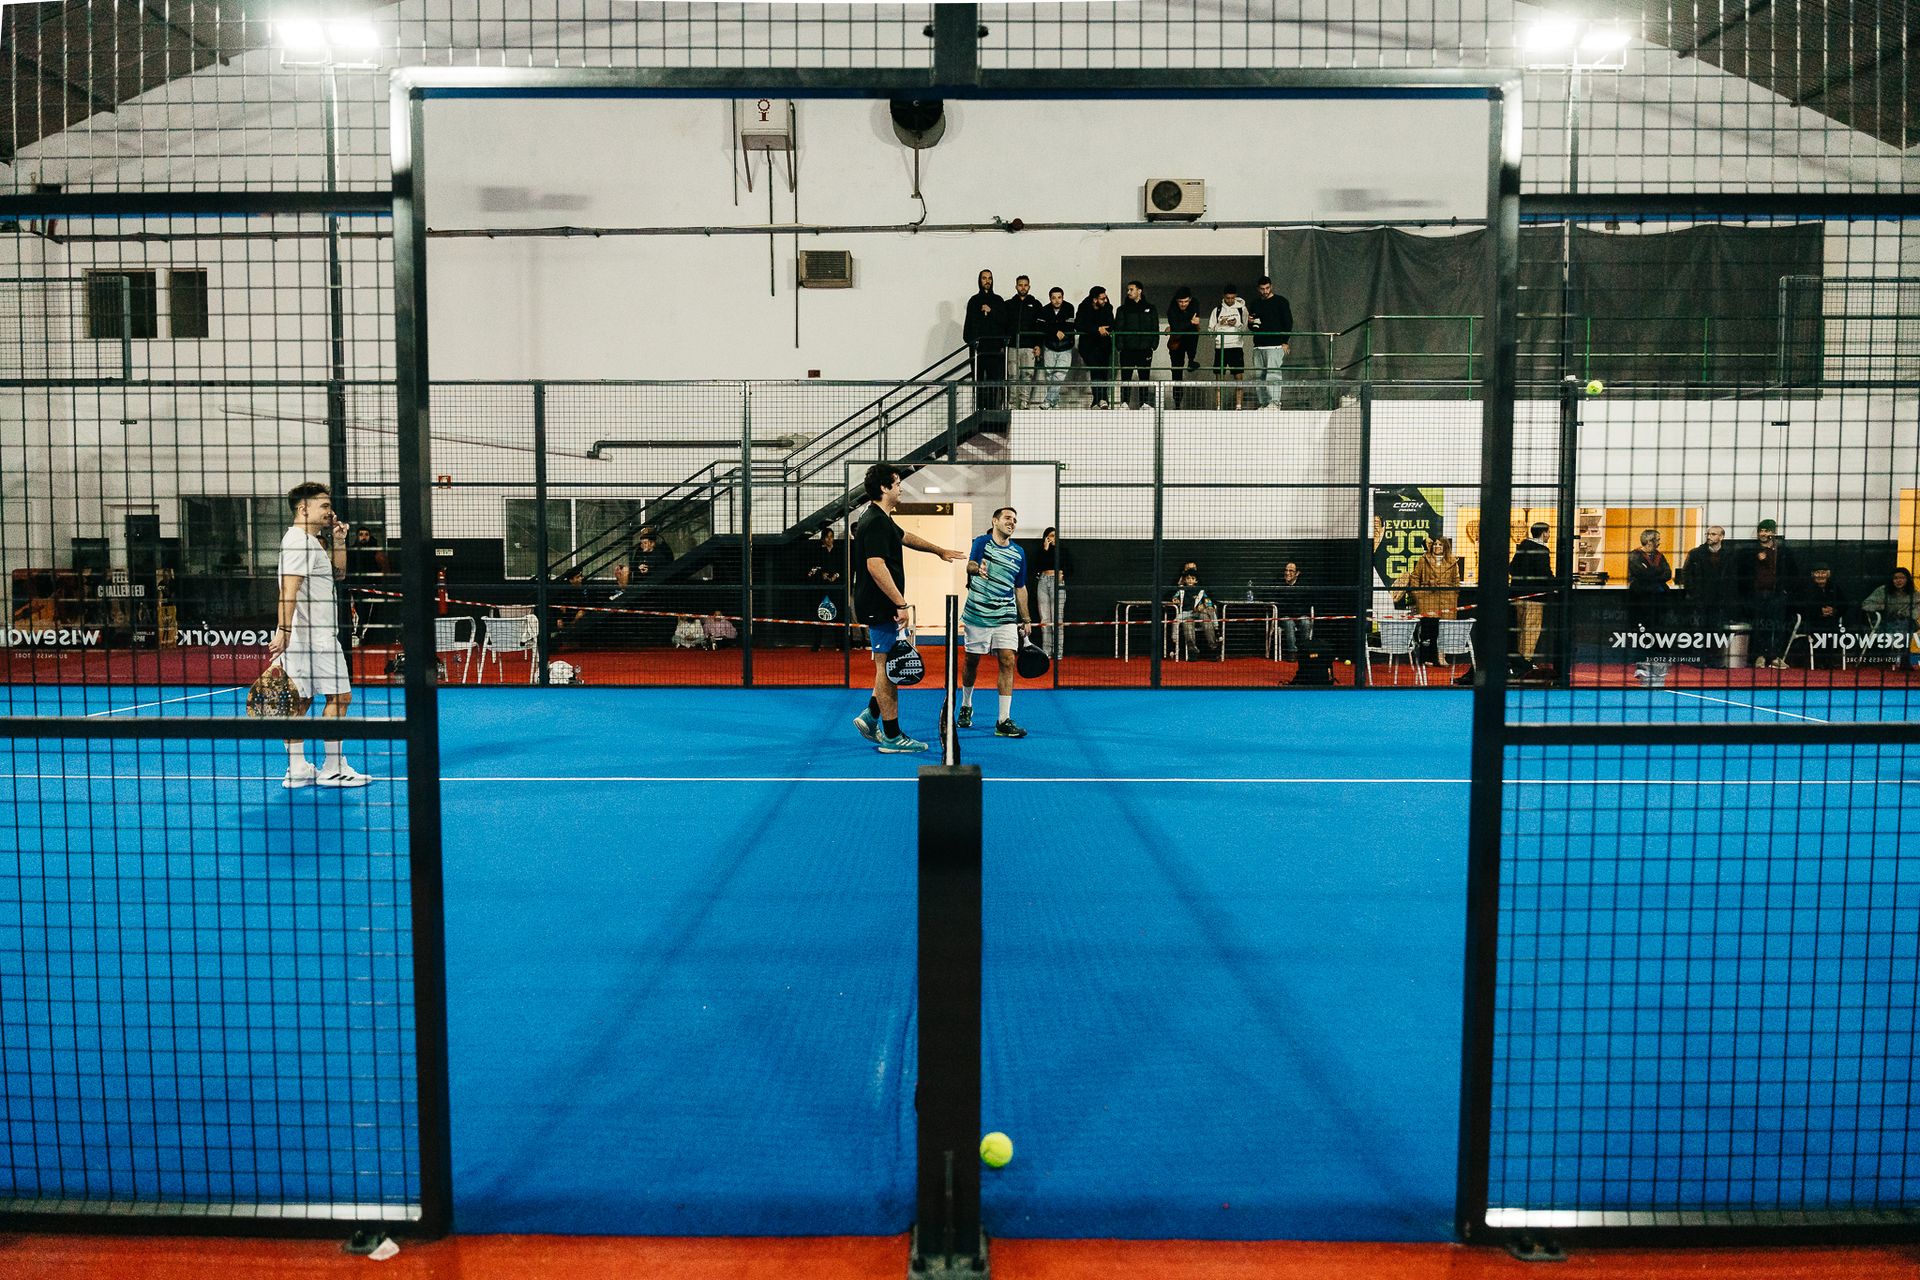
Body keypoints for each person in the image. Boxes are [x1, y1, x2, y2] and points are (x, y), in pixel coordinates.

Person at [850, 463, 965, 754]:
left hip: (879, 604)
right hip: (879, 605)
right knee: (887, 668)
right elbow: (875, 566)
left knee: (886, 664)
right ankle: (891, 736)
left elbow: (905, 538)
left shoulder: (881, 519)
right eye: (897, 483)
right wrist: (900, 603)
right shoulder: (874, 521)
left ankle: (870, 716)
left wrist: (939, 550)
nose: (901, 488)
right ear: (885, 488)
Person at [270, 481, 370, 789]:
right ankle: (332, 767)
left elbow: (337, 575)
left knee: (301, 700)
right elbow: (290, 588)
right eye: (324, 506)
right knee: (340, 697)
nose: (330, 511)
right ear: (303, 509)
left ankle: (298, 768)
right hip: (313, 639)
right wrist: (284, 630)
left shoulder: (311, 541)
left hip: (310, 638)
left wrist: (339, 541)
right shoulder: (299, 542)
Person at [957, 506, 1032, 738]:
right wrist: (975, 568)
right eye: (1008, 518)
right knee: (971, 661)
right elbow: (970, 564)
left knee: (1007, 660)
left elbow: (1020, 587)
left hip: (1006, 615)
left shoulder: (1019, 553)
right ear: (995, 521)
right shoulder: (981, 543)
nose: (1012, 522)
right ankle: (966, 704)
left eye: (1015, 520)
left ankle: (1003, 720)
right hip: (977, 613)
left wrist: (1026, 618)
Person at [1737, 518, 1798, 669]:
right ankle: (1759, 657)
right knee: (1759, 626)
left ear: (1774, 532)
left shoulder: (1783, 552)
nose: (1763, 534)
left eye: (1766, 530)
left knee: (1778, 627)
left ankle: (1775, 657)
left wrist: (1785, 590)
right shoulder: (1750, 552)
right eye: (1761, 531)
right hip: (1757, 594)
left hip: (1777, 595)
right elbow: (1742, 573)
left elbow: (1793, 573)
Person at [1396, 536, 1460, 666]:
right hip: (1427, 597)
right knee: (1428, 628)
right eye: (1435, 544)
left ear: (1445, 547)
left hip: (1446, 599)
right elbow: (1415, 577)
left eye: (1440, 545)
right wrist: (1418, 594)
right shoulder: (1423, 559)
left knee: (1444, 629)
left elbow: (1456, 581)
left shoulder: (1453, 562)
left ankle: (1441, 656)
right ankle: (1427, 658)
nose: (1437, 546)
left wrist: (1453, 594)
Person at [1626, 529, 1673, 676]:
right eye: (1657, 539)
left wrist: (1651, 573)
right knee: (1642, 631)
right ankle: (1641, 662)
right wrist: (1656, 573)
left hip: (1659, 600)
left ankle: (1658, 662)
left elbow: (1668, 573)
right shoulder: (1634, 555)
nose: (1660, 542)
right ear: (1649, 541)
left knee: (1659, 629)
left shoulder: (1660, 556)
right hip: (1641, 600)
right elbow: (1641, 573)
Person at [1508, 522, 1553, 667]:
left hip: (1517, 596)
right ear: (1544, 533)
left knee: (1521, 629)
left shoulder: (1522, 547)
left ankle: (1519, 660)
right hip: (1535, 596)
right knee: (1531, 630)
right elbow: (1544, 574)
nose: (1549, 535)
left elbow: (1512, 568)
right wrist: (1555, 583)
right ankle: (1526, 662)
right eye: (1548, 532)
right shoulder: (1542, 550)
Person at [963, 268, 1009, 410]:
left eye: (989, 278)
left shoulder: (998, 300)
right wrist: (971, 341)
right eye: (984, 278)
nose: (987, 281)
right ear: (979, 280)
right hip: (978, 349)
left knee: (994, 380)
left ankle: (993, 409)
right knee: (978, 381)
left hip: (994, 349)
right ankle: (979, 410)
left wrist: (991, 311)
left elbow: (1005, 322)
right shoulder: (973, 301)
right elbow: (968, 326)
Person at [1679, 524, 1735, 633]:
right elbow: (1686, 573)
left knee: (1717, 633)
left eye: (1713, 534)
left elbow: (1733, 578)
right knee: (1699, 632)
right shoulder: (1696, 553)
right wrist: (1693, 591)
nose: (1709, 536)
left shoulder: (1729, 555)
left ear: (1721, 537)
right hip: (1700, 599)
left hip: (1720, 601)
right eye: (1708, 534)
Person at [1248, 276, 1293, 409]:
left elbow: (1288, 323)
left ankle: (1275, 403)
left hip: (1275, 345)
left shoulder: (1281, 301)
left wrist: (1285, 342)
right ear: (1258, 289)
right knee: (1259, 377)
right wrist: (1250, 323)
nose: (1265, 291)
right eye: (1262, 289)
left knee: (1273, 375)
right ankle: (1264, 403)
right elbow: (1253, 326)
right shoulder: (1255, 303)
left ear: (1271, 286)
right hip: (1258, 346)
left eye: (1267, 288)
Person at [1791, 563, 1848, 669]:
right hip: (1812, 622)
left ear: (1828, 574)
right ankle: (1817, 661)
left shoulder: (1834, 587)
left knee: (1835, 631)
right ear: (1813, 574)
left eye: (1823, 572)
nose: (1821, 575)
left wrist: (1834, 610)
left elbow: (1844, 605)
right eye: (1818, 573)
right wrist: (1819, 611)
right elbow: (1798, 606)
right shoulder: (1805, 588)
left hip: (1832, 622)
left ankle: (1829, 660)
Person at [1115, 280, 1160, 410]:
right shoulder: (1122, 309)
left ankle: (1144, 403)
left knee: (1144, 376)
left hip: (1145, 349)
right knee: (1126, 376)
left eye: (1131, 289)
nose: (1128, 292)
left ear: (1139, 291)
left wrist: (1153, 344)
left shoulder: (1150, 308)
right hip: (1127, 349)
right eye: (1127, 290)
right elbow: (1119, 328)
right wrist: (1120, 346)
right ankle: (1124, 403)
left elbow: (1154, 327)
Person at [1208, 284, 1252, 410]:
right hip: (1220, 347)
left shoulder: (1242, 309)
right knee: (1219, 377)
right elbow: (1210, 333)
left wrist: (1236, 323)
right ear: (1223, 297)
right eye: (1228, 298)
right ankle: (1218, 406)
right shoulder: (1216, 310)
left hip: (1236, 346)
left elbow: (1245, 329)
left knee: (1238, 376)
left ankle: (1238, 406)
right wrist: (1219, 324)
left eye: (1232, 298)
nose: (1230, 300)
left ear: (1236, 296)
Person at [1862, 566, 1916, 667]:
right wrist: (1882, 606)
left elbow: (1917, 610)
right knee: (1904, 627)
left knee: (1906, 623)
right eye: (1895, 578)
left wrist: (1905, 614)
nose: (1898, 581)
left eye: (1902, 578)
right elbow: (1866, 604)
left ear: (1907, 579)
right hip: (1886, 623)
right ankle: (1903, 657)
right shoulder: (1883, 590)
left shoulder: (1914, 594)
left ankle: (1899, 654)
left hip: (1907, 622)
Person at [1007, 275, 1045, 409]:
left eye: (1025, 285)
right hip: (1012, 347)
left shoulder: (1036, 304)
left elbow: (1040, 327)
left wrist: (1038, 345)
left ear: (1029, 287)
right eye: (1020, 285)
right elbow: (1004, 325)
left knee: (1027, 376)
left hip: (1029, 347)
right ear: (1016, 286)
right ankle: (1012, 403)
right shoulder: (1009, 304)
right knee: (1012, 376)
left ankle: (1024, 403)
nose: (1023, 287)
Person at [805, 526, 845, 651]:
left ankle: (840, 643)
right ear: (823, 539)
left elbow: (844, 567)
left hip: (836, 587)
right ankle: (816, 644)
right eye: (827, 537)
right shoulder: (817, 552)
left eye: (831, 537)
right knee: (819, 614)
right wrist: (821, 574)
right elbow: (812, 569)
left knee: (838, 615)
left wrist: (836, 575)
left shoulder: (838, 552)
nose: (830, 540)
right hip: (821, 588)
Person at [1036, 287, 1076, 409]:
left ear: (1063, 297)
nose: (1057, 300)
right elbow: (1041, 325)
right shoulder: (1045, 310)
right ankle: (1054, 402)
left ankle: (1048, 401)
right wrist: (1055, 331)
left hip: (1065, 347)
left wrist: (1054, 327)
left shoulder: (1069, 307)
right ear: (1050, 298)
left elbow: (1070, 325)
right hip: (1049, 346)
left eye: (1059, 297)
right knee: (1049, 375)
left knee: (1060, 374)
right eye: (1054, 298)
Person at [1076, 286, 1116, 409]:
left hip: (1103, 345)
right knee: (1096, 370)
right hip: (1088, 346)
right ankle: (1099, 399)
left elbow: (1111, 324)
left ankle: (1101, 399)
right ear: (1094, 299)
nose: (1105, 300)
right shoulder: (1083, 307)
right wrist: (1097, 329)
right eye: (1102, 298)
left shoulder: (1108, 307)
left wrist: (1095, 328)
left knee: (1103, 371)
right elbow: (1079, 325)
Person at [1031, 526, 1068, 659]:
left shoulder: (1063, 551)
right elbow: (1038, 565)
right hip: (1043, 580)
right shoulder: (1042, 551)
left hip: (1057, 582)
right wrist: (1045, 549)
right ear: (1046, 537)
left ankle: (1058, 651)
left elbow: (1069, 567)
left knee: (1057, 619)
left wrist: (1063, 575)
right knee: (1045, 618)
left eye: (1055, 535)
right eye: (1051, 536)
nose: (1053, 538)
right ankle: (1046, 651)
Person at [1164, 285, 1203, 408]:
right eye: (1180, 302)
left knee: (1193, 334)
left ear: (1190, 300)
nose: (1183, 304)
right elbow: (1176, 327)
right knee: (1176, 371)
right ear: (1177, 301)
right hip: (1177, 341)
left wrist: (1184, 324)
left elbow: (1193, 323)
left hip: (1189, 339)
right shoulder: (1172, 309)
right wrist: (1190, 322)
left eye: (1186, 301)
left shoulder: (1195, 303)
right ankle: (1177, 402)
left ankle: (1192, 360)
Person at [1169, 570, 1218, 658]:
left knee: (1207, 620)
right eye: (1188, 578)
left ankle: (1213, 649)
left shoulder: (1201, 591)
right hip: (1186, 614)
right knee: (1187, 624)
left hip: (1199, 613)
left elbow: (1208, 601)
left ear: (1196, 581)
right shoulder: (1181, 590)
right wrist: (1175, 600)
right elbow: (1174, 597)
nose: (1190, 580)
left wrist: (1206, 605)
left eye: (1192, 578)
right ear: (1184, 580)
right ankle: (1193, 651)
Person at [1277, 561, 1313, 659]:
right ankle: (1292, 652)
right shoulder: (1278, 585)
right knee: (1289, 622)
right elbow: (1279, 606)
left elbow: (1307, 604)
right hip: (1285, 617)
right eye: (1286, 570)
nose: (1287, 573)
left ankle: (1304, 651)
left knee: (1305, 622)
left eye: (1291, 571)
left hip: (1300, 615)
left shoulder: (1304, 586)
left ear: (1297, 573)